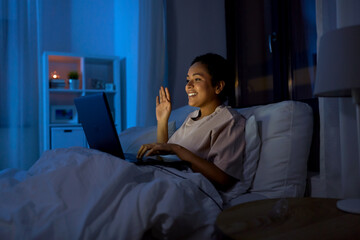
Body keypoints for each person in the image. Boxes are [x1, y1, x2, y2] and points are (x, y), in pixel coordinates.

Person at [137, 53, 245, 191]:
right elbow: (165, 156)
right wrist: (162, 121)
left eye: (197, 79)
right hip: (167, 178)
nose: (188, 86)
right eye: (187, 80)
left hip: (188, 189)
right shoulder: (192, 116)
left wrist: (177, 149)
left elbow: (224, 179)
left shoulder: (230, 120)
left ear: (218, 86)